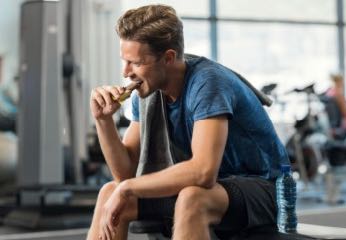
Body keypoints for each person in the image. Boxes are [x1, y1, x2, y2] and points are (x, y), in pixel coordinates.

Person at [87, 4, 289, 240]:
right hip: (214, 188)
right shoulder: (146, 91)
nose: (126, 72)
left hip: (266, 189)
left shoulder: (208, 83)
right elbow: (125, 174)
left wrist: (128, 188)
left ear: (168, 58)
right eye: (125, 61)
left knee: (193, 198)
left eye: (136, 63)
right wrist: (103, 120)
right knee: (109, 192)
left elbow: (203, 172)